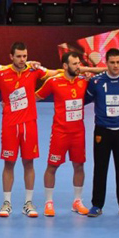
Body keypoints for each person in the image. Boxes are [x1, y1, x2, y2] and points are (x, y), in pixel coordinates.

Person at [0, 42, 56, 218]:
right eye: (18, 56)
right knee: (9, 163)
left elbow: (55, 73)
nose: (22, 60)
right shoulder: (1, 74)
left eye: (25, 56)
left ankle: (28, 203)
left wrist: (80, 71)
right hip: (9, 125)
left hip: (29, 124)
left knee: (29, 163)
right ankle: (7, 203)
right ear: (11, 57)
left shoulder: (34, 70)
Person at [35, 52, 91, 217]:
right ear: (65, 66)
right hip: (60, 132)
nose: (78, 66)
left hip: (78, 133)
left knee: (79, 166)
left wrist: (89, 73)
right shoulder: (53, 82)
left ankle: (77, 201)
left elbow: (103, 72)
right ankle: (48, 202)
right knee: (52, 166)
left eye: (79, 63)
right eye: (74, 64)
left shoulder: (84, 80)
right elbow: (35, 97)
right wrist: (11, 103)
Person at [85, 49, 119, 217]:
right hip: (102, 130)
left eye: (118, 62)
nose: (115, 66)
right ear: (106, 63)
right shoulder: (96, 81)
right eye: (112, 62)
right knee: (100, 168)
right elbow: (83, 100)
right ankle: (96, 205)